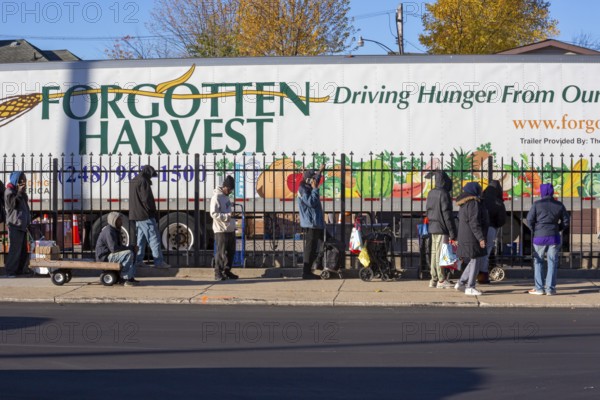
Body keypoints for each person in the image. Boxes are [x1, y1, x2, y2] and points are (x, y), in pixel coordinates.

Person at [526, 183, 569, 296]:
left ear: (542, 192)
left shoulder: (536, 204)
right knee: (552, 262)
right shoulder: (559, 205)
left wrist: (535, 230)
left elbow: (529, 220)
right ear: (552, 192)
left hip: (539, 237)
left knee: (538, 261)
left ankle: (539, 288)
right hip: (554, 236)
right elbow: (566, 221)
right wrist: (558, 228)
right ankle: (550, 289)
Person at [129, 165, 170, 269]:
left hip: (136, 215)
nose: (151, 178)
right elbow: (146, 199)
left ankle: (138, 260)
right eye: (151, 175)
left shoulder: (134, 180)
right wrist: (152, 210)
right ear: (148, 173)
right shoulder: (143, 181)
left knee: (140, 240)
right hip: (145, 215)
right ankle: (159, 262)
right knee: (154, 238)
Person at [454, 182, 489, 296]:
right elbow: (474, 222)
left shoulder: (464, 203)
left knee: (474, 260)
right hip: (472, 237)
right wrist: (481, 238)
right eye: (479, 189)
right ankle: (470, 286)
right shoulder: (473, 203)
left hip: (466, 236)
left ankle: (461, 282)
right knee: (475, 260)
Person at [425, 171, 457, 289]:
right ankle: (441, 280)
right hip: (442, 228)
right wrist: (453, 232)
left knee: (434, 253)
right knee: (440, 255)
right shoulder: (444, 194)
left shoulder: (431, 193)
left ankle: (433, 279)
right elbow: (447, 215)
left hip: (433, 226)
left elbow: (427, 211)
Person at [95, 212, 139, 286]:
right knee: (128, 253)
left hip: (110, 255)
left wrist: (132, 248)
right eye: (119, 220)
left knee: (132, 251)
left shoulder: (115, 230)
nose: (121, 222)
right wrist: (130, 248)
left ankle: (130, 277)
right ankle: (124, 278)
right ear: (113, 221)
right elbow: (114, 249)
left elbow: (118, 247)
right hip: (104, 257)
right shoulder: (109, 231)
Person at [298, 165, 325, 280]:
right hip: (311, 223)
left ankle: (318, 264)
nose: (315, 180)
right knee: (310, 249)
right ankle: (306, 272)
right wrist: (315, 189)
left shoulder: (307, 185)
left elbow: (316, 180)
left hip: (316, 223)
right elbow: (311, 202)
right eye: (313, 179)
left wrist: (319, 171)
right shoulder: (303, 189)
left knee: (323, 244)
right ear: (309, 180)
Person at [210, 175, 239, 281]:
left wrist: (230, 216)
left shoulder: (226, 197)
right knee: (221, 252)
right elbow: (213, 213)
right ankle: (218, 272)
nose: (231, 191)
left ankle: (226, 271)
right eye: (230, 189)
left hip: (229, 228)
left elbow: (226, 211)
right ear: (225, 187)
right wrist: (227, 216)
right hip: (220, 229)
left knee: (231, 252)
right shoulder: (216, 197)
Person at [4, 172, 31, 278]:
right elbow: (12, 204)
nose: (23, 182)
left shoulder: (19, 193)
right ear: (17, 181)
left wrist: (22, 193)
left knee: (23, 250)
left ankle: (20, 269)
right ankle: (11, 270)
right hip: (15, 224)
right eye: (21, 180)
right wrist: (19, 193)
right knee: (15, 249)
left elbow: (24, 207)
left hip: (22, 224)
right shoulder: (9, 191)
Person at [479, 180, 507, 284]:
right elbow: (502, 219)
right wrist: (495, 225)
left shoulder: (481, 199)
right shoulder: (498, 202)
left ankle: (473, 274)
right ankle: (483, 276)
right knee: (486, 252)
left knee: (477, 252)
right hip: (491, 228)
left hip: (479, 228)